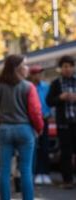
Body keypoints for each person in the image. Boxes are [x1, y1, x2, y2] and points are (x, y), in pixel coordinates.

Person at [0, 54, 43, 200]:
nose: (27, 68)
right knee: (25, 169)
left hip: (5, 129)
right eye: (25, 65)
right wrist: (39, 128)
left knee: (4, 170)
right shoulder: (28, 87)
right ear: (17, 68)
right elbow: (35, 111)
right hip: (24, 129)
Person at [46, 55, 76, 189]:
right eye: (65, 66)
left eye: (70, 66)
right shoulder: (56, 83)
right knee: (66, 152)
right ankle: (67, 180)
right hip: (64, 123)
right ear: (61, 68)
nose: (68, 69)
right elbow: (49, 101)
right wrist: (60, 97)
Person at [28, 65, 53, 185]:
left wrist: (48, 114)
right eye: (36, 73)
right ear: (32, 75)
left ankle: (45, 173)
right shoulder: (29, 87)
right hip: (32, 121)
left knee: (45, 146)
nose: (38, 76)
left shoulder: (46, 87)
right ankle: (37, 172)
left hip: (45, 119)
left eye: (40, 73)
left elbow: (48, 102)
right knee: (35, 147)